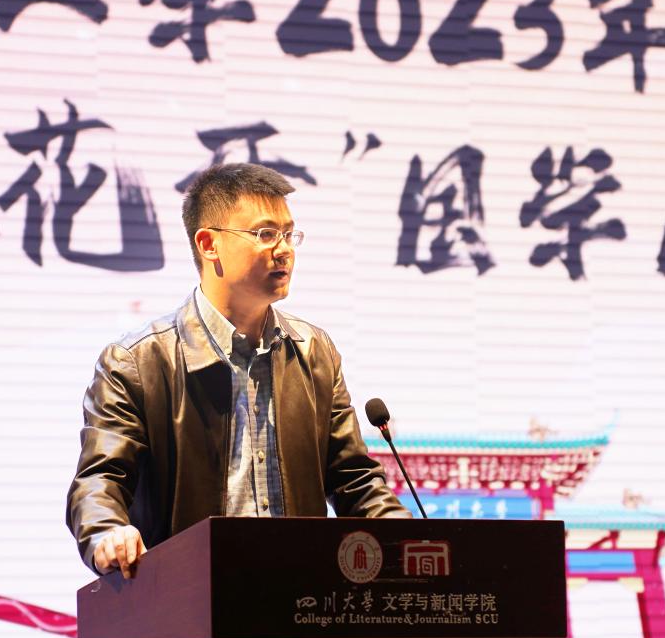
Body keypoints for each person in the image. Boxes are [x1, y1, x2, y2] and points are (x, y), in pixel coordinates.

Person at [67, 162, 410, 581]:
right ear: (208, 244)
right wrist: (108, 532)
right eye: (265, 234)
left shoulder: (314, 352)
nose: (284, 249)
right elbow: (99, 482)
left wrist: (414, 541)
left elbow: (354, 479)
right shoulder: (137, 362)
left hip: (301, 598)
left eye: (289, 234)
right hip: (186, 598)